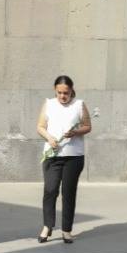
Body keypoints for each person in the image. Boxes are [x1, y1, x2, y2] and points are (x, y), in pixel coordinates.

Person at [36, 76, 92, 244]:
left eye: (66, 93)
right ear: (55, 91)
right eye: (59, 93)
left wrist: (75, 132)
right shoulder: (49, 104)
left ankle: (67, 230)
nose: (62, 96)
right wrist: (49, 137)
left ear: (71, 90)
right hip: (52, 155)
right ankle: (48, 226)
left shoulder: (79, 105)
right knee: (50, 190)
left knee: (68, 193)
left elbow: (88, 126)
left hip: (73, 156)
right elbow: (40, 126)